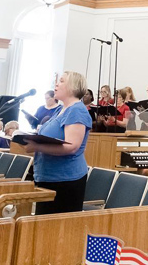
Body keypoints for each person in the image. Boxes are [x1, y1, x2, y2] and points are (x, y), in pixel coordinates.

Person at [25, 71, 93, 215]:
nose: (56, 84)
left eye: (61, 81)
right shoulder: (61, 110)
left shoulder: (77, 110)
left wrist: (37, 146)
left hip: (65, 181)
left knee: (56, 232)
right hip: (49, 178)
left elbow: (71, 146)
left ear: (73, 87)